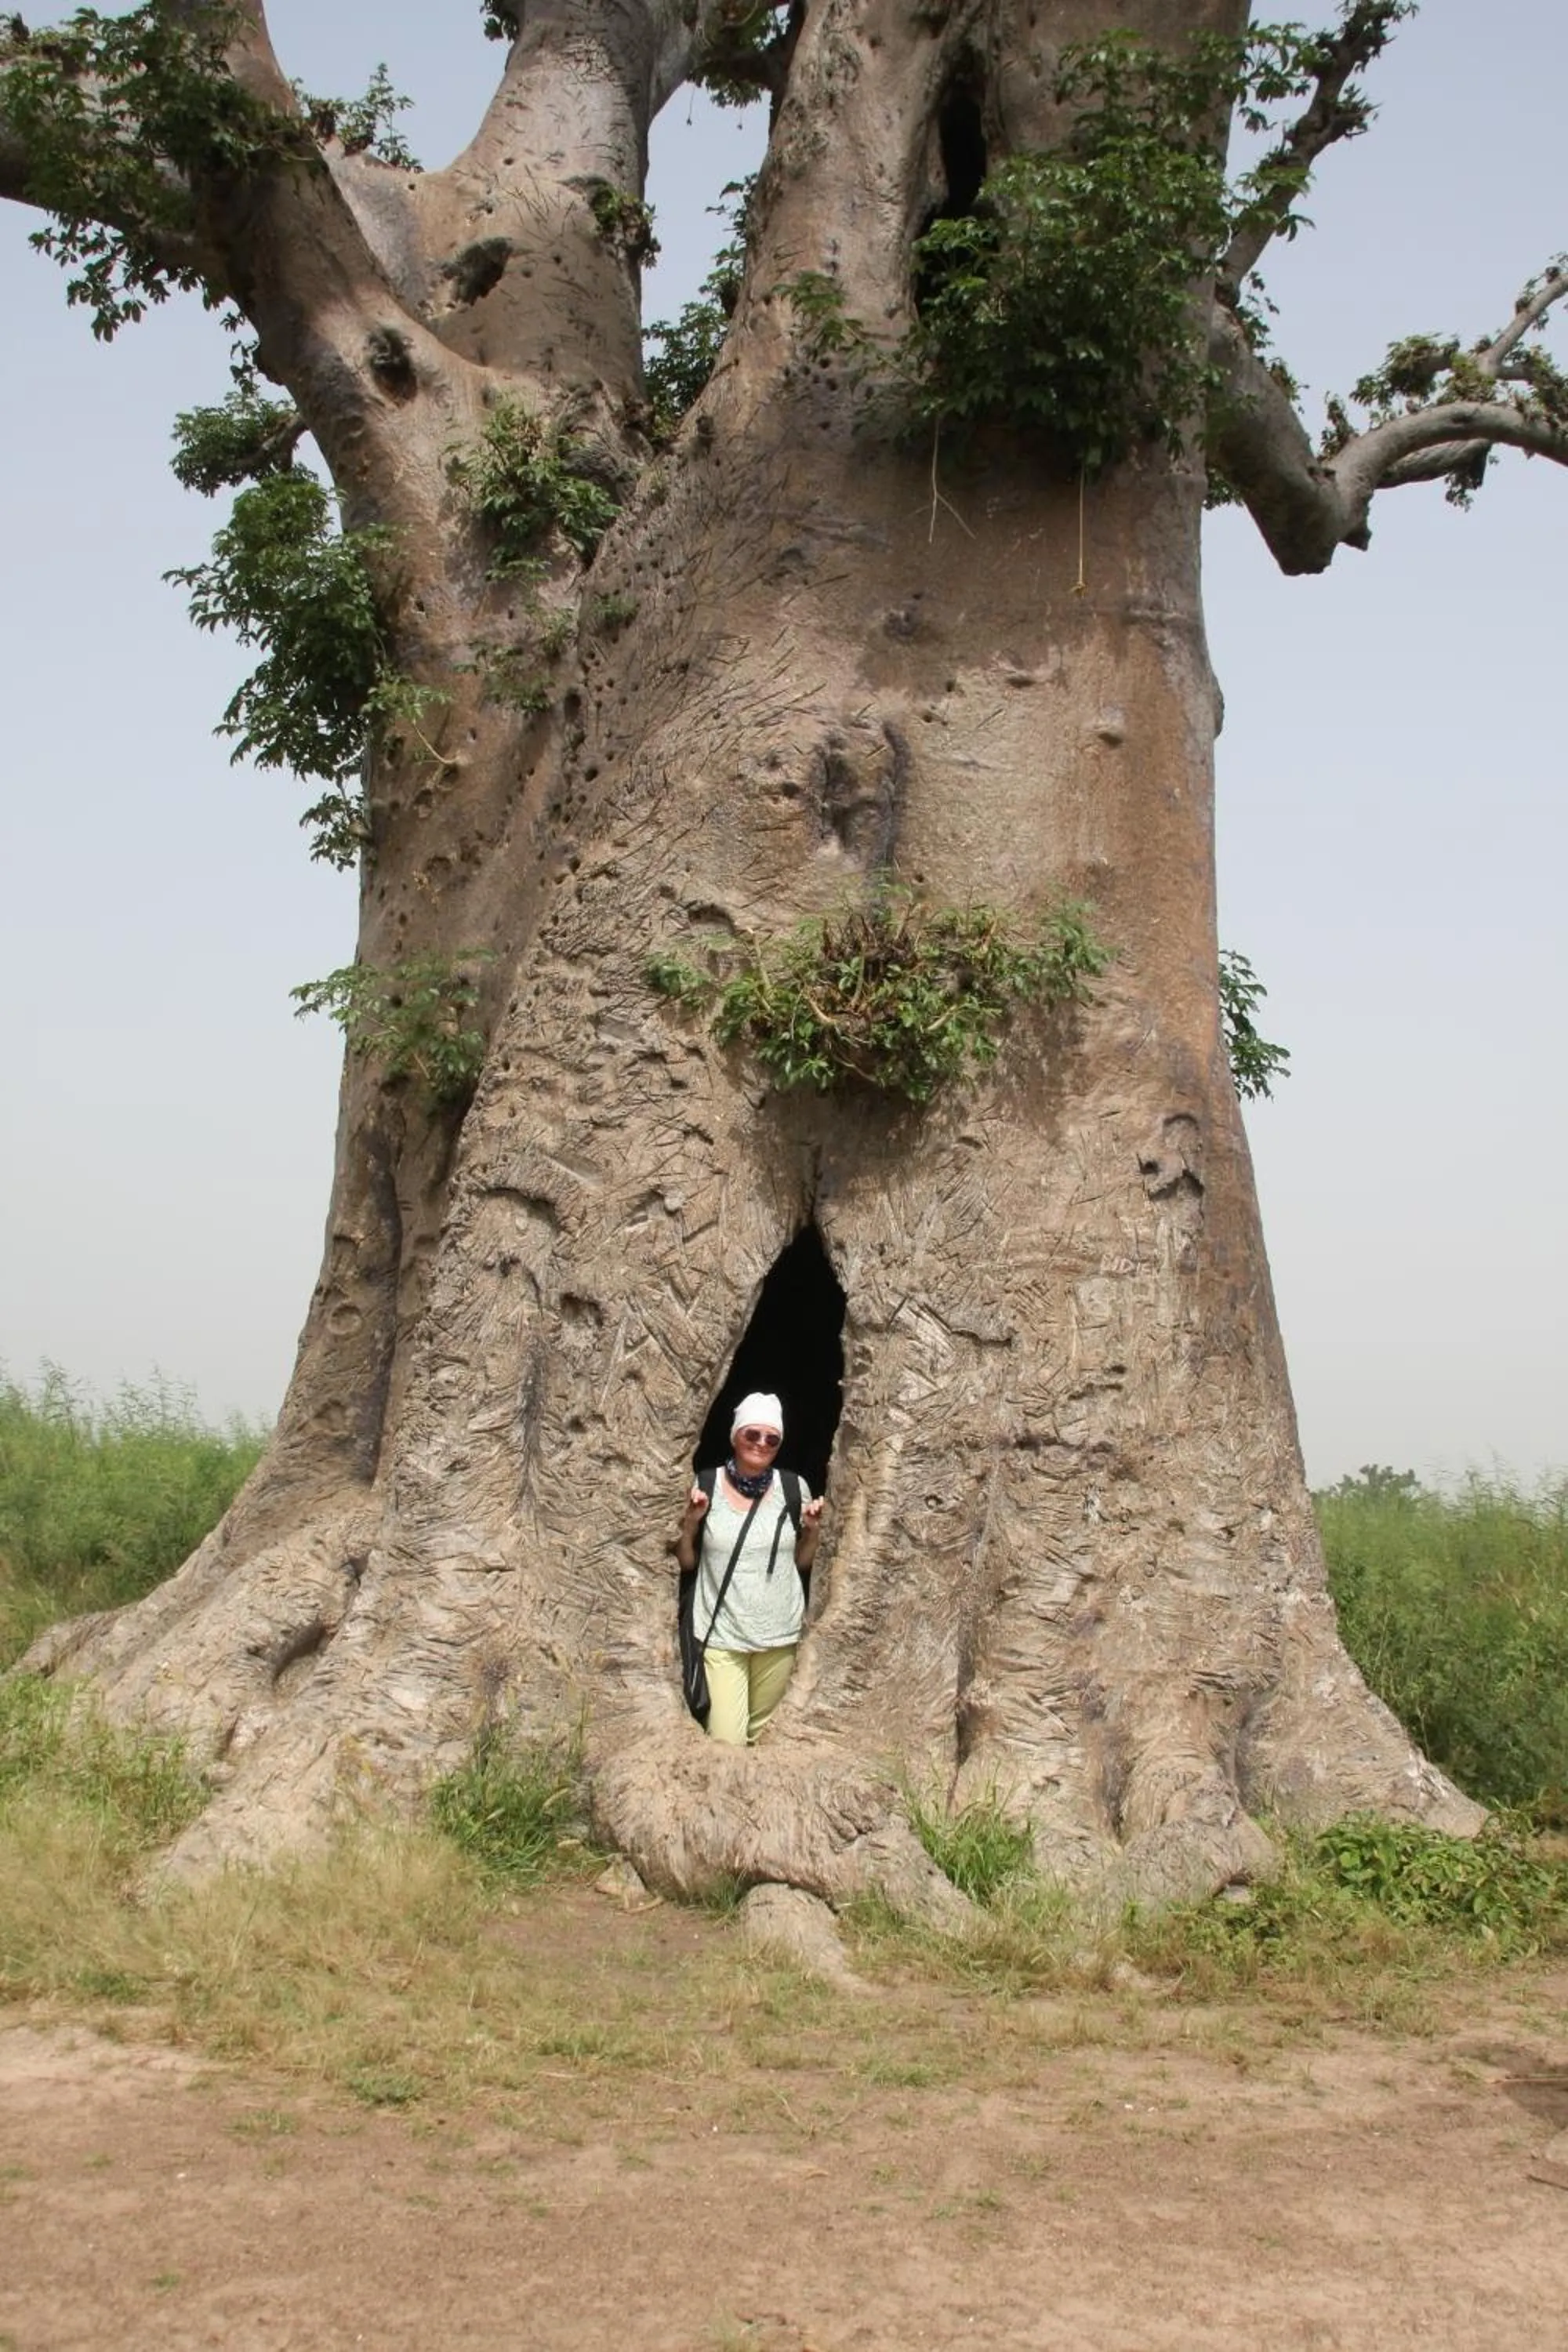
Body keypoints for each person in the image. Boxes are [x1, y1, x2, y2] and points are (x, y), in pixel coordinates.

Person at [676, 1391, 823, 1745]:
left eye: (772, 1438)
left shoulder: (793, 1488)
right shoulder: (706, 1484)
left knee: (763, 1738)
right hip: (723, 1636)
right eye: (752, 1434)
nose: (761, 1443)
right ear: (735, 1435)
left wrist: (813, 1532)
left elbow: (801, 1564)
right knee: (727, 1740)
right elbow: (686, 1562)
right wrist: (691, 1523)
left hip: (779, 1638)